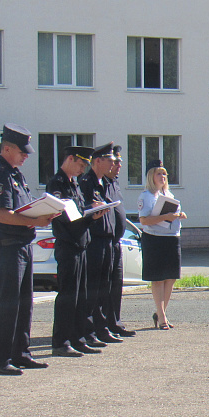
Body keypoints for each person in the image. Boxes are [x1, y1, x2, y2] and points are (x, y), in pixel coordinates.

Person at [0, 124, 59, 375]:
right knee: (8, 304)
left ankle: (20, 353)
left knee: (24, 303)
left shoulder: (15, 174)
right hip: (8, 246)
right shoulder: (0, 175)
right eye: (22, 151)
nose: (26, 155)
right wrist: (34, 221)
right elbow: (1, 214)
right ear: (7, 148)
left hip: (22, 245)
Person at [47, 145, 108, 357]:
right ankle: (61, 342)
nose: (83, 170)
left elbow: (80, 210)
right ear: (70, 159)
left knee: (81, 296)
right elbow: (67, 216)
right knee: (68, 297)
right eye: (81, 164)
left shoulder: (74, 183)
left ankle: (77, 338)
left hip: (82, 244)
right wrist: (90, 215)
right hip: (68, 245)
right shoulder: (58, 183)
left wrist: (92, 209)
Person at [138, 159, 186, 329]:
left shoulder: (169, 196)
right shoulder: (146, 196)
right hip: (154, 239)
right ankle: (162, 317)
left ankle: (160, 313)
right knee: (158, 278)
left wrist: (179, 215)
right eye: (159, 173)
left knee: (171, 278)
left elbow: (171, 215)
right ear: (151, 176)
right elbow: (144, 220)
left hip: (172, 238)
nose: (163, 176)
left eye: (164, 173)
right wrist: (165, 217)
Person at [80, 143, 120, 347]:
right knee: (92, 289)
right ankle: (89, 331)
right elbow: (83, 211)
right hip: (94, 240)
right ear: (98, 161)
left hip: (107, 240)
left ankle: (102, 328)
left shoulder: (103, 182)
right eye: (110, 160)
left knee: (105, 288)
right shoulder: (86, 182)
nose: (113, 164)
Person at [105, 146, 136, 338]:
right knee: (104, 287)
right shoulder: (99, 183)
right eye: (115, 162)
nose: (119, 165)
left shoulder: (114, 183)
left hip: (116, 242)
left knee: (116, 286)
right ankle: (102, 326)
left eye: (119, 162)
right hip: (102, 242)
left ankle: (114, 322)